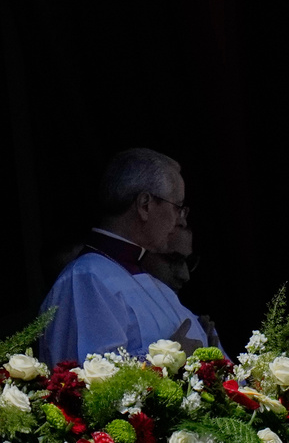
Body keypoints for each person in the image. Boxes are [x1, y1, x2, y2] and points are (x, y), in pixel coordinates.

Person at [39, 148, 212, 366]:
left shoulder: (153, 283)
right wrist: (169, 361)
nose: (181, 221)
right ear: (145, 205)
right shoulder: (86, 278)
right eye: (177, 207)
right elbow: (86, 381)